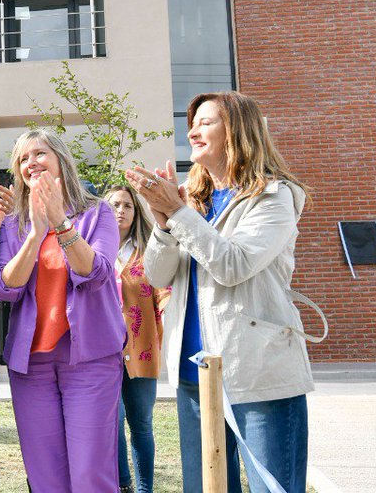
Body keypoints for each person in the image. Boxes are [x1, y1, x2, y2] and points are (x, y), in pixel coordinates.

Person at [131, 91, 326, 493]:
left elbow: (233, 265)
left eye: (206, 122)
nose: (193, 130)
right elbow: (156, 274)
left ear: (237, 130)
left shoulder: (275, 197)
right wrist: (165, 221)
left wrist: (180, 213)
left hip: (256, 373)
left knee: (271, 487)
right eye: (193, 122)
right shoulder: (192, 200)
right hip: (193, 376)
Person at [0, 129, 124, 493]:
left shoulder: (97, 213)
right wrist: (35, 233)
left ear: (61, 158)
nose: (31, 162)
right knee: (45, 475)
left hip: (91, 360)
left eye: (39, 154)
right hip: (31, 364)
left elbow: (96, 273)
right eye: (22, 158)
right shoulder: (14, 225)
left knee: (90, 475)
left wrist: (59, 224)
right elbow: (5, 288)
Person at [106, 185, 170, 493]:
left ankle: (145, 489)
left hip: (142, 350)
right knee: (113, 422)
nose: (120, 210)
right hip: (103, 353)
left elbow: (165, 293)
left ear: (136, 212)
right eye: (115, 204)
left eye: (127, 205)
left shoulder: (149, 252)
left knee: (141, 423)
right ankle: (124, 485)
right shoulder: (94, 250)